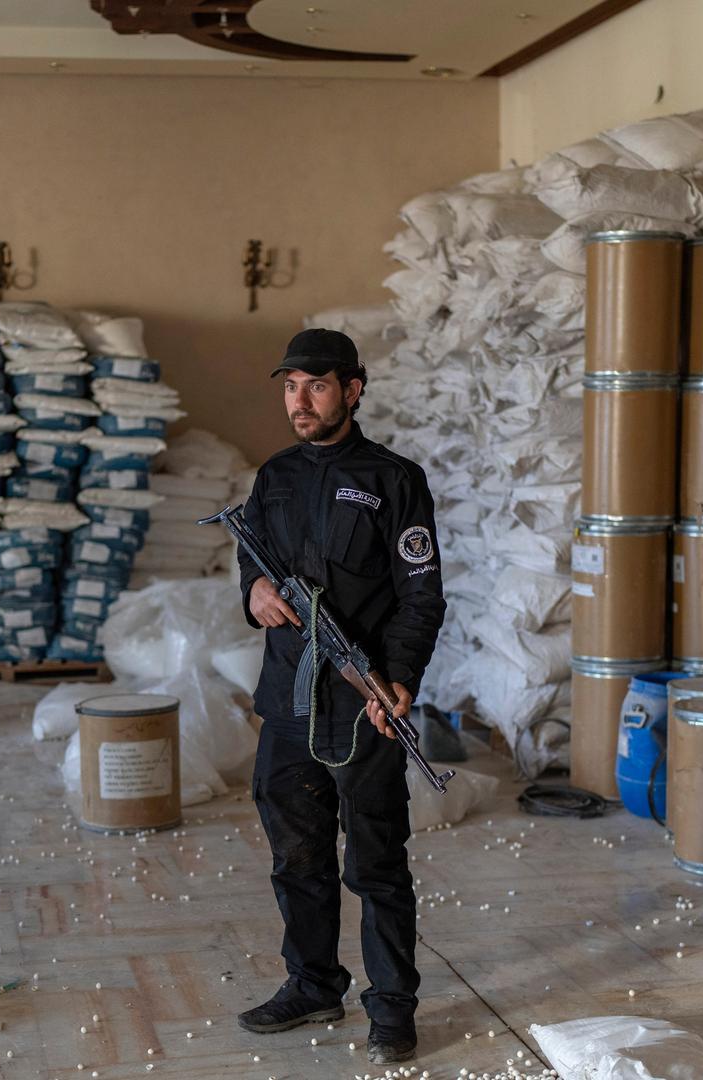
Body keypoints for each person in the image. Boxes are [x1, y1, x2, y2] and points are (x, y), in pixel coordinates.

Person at [232, 327, 448, 1065]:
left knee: (378, 864)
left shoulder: (395, 480)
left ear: (352, 390)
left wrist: (401, 683)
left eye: (316, 385)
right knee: (297, 857)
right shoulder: (275, 476)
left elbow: (422, 598)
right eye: (290, 386)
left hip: (362, 707)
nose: (300, 400)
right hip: (288, 706)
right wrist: (253, 591)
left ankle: (391, 1010)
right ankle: (313, 983)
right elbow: (250, 557)